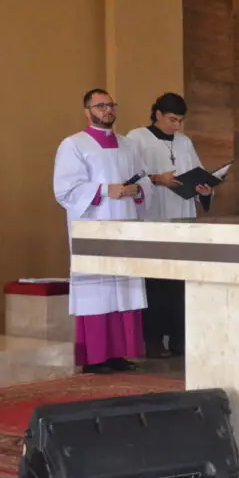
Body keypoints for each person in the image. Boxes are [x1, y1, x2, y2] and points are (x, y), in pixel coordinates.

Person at [53, 88, 153, 374]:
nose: (107, 110)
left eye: (111, 105)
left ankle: (121, 353)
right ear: (87, 111)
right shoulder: (73, 145)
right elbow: (65, 190)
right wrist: (105, 190)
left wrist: (137, 190)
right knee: (98, 291)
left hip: (125, 224)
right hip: (94, 225)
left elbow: (145, 181)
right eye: (100, 106)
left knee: (124, 287)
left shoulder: (128, 145)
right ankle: (96, 357)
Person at [127, 93, 211, 358]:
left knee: (180, 281)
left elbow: (197, 172)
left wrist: (205, 190)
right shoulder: (137, 138)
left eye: (180, 121)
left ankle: (179, 339)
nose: (176, 126)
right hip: (152, 217)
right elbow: (128, 179)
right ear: (157, 114)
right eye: (172, 119)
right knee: (155, 281)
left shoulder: (185, 142)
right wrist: (156, 179)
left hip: (183, 217)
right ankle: (152, 341)